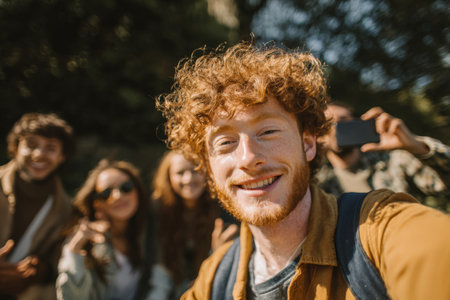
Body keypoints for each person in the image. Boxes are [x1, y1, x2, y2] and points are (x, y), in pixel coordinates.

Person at [156, 41, 450, 299]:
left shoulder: (378, 227)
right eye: (225, 142)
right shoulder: (214, 278)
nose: (247, 158)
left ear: (308, 144)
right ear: (208, 167)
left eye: (268, 131)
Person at [56, 159, 170, 300]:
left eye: (126, 187)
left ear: (138, 192)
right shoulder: (84, 241)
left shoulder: (151, 231)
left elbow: (161, 283)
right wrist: (74, 250)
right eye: (106, 193)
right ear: (97, 204)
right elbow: (72, 298)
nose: (118, 196)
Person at [316, 101, 449, 210]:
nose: (337, 128)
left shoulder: (394, 162)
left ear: (357, 124)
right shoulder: (319, 185)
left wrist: (419, 147)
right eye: (329, 123)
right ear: (319, 135)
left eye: (344, 121)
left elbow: (443, 187)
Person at [0, 113, 75, 300]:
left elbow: (58, 264)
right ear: (15, 148)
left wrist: (40, 271)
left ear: (62, 156)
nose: (39, 154)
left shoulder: (67, 210)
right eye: (31, 145)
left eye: (50, 148)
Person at [151, 150, 238, 299]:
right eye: (180, 173)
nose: (188, 179)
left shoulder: (224, 208)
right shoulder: (157, 210)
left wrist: (218, 252)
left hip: (211, 285)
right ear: (169, 178)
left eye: (195, 170)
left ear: (207, 172)